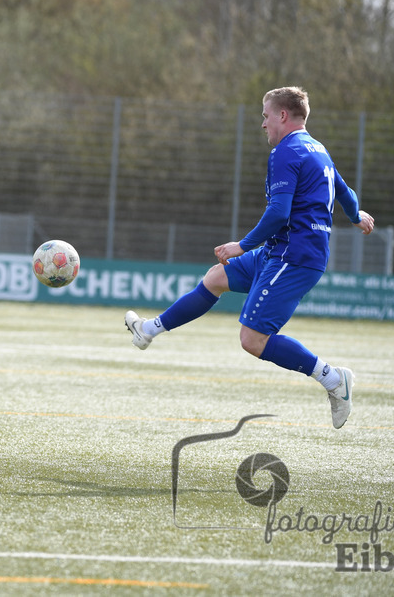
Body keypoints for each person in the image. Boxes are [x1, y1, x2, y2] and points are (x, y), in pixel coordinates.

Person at [125, 86, 375, 429]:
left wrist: (241, 245)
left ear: (282, 115)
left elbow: (278, 212)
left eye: (266, 115)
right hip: (281, 249)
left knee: (252, 340)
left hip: (293, 256)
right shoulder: (318, 149)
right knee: (215, 278)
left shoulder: (286, 151)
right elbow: (344, 191)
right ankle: (148, 330)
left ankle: (333, 379)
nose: (263, 123)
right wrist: (356, 215)